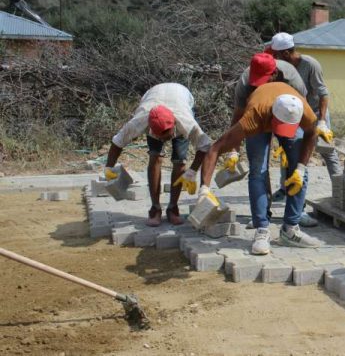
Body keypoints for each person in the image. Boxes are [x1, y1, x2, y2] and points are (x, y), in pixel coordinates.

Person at [199, 82, 322, 255]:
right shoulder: (254, 116)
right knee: (258, 171)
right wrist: (204, 189)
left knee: (300, 172)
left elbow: (311, 135)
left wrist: (300, 169)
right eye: (280, 128)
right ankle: (262, 230)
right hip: (261, 115)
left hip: (285, 111)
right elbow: (215, 148)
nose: (282, 132)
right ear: (272, 117)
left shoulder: (304, 112)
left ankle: (290, 230)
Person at [221, 52, 317, 227]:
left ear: (275, 74)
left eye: (265, 79)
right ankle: (261, 221)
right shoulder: (245, 82)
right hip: (258, 117)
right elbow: (237, 117)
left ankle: (294, 220)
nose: (261, 85)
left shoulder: (293, 80)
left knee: (298, 168)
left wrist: (300, 166)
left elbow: (305, 119)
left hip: (287, 115)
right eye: (257, 81)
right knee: (258, 169)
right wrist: (233, 151)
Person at [104, 83, 211, 226]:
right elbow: (117, 142)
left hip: (180, 96)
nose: (163, 140)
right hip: (152, 98)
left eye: (166, 135)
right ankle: (155, 208)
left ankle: (173, 208)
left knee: (180, 160)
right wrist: (108, 168)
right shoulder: (140, 121)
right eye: (159, 136)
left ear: (173, 125)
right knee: (155, 157)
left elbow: (205, 145)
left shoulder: (186, 121)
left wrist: (192, 171)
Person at [270, 33, 341, 194]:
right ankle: (285, 188)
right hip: (295, 115)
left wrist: (322, 122)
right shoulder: (281, 67)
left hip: (316, 113)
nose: (276, 58)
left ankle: (340, 190)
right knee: (288, 151)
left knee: (327, 150)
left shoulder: (310, 64)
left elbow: (323, 94)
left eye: (278, 55)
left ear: (286, 53)